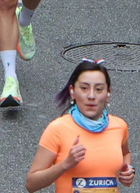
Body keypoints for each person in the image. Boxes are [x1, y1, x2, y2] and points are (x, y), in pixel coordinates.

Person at [24, 61, 133, 193]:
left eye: (98, 89)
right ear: (72, 91)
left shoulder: (119, 126)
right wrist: (65, 164)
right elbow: (31, 184)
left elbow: (125, 153)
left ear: (108, 94)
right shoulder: (57, 129)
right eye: (84, 88)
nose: (91, 96)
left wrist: (128, 170)